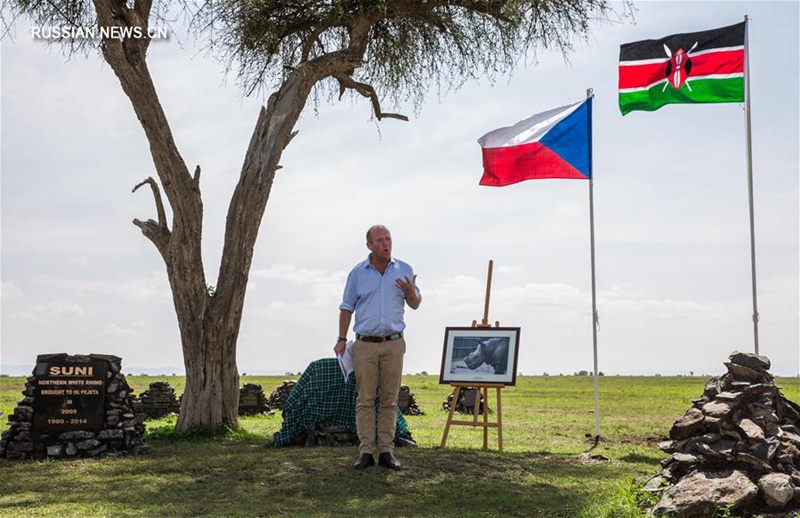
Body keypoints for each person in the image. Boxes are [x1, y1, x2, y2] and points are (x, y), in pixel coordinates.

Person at [334, 225, 421, 470]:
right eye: (380, 240)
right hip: (365, 345)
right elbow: (346, 307)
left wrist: (411, 292)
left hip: (393, 343)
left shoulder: (403, 269)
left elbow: (415, 304)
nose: (386, 243)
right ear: (369, 245)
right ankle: (365, 452)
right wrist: (341, 339)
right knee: (365, 400)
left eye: (389, 238)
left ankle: (386, 451)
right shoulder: (358, 273)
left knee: (389, 401)